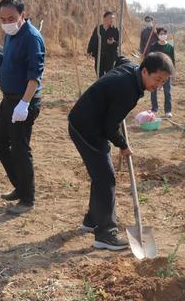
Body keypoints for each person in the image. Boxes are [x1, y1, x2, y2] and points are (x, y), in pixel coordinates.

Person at [68, 53, 174, 250]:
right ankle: (106, 234)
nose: (158, 85)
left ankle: (92, 219)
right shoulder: (128, 91)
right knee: (106, 178)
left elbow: (121, 59)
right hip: (86, 127)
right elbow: (110, 127)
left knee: (100, 174)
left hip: (89, 120)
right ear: (144, 71)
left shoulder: (131, 70)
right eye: (157, 79)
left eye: (163, 81)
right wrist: (123, 145)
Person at [0, 0, 46, 215]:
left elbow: (35, 75)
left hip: (24, 100)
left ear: (23, 14)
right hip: (9, 99)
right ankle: (20, 186)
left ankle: (27, 198)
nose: (7, 22)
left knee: (21, 148)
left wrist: (24, 104)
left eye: (11, 18)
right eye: (2, 19)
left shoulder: (32, 38)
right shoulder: (10, 35)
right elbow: (8, 60)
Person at [149, 27, 175, 117]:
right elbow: (150, 59)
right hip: (156, 72)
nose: (163, 35)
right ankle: (154, 109)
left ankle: (168, 110)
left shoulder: (170, 47)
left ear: (166, 35)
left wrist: (172, 72)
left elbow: (173, 61)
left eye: (164, 33)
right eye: (161, 34)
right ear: (158, 35)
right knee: (153, 90)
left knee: (167, 92)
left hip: (167, 73)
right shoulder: (154, 46)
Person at [87, 11, 119, 78]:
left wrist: (113, 42)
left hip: (110, 57)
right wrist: (89, 51)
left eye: (113, 18)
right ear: (104, 18)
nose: (112, 20)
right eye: (110, 18)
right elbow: (93, 39)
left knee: (109, 74)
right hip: (99, 55)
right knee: (99, 73)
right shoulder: (98, 28)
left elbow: (119, 42)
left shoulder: (115, 30)